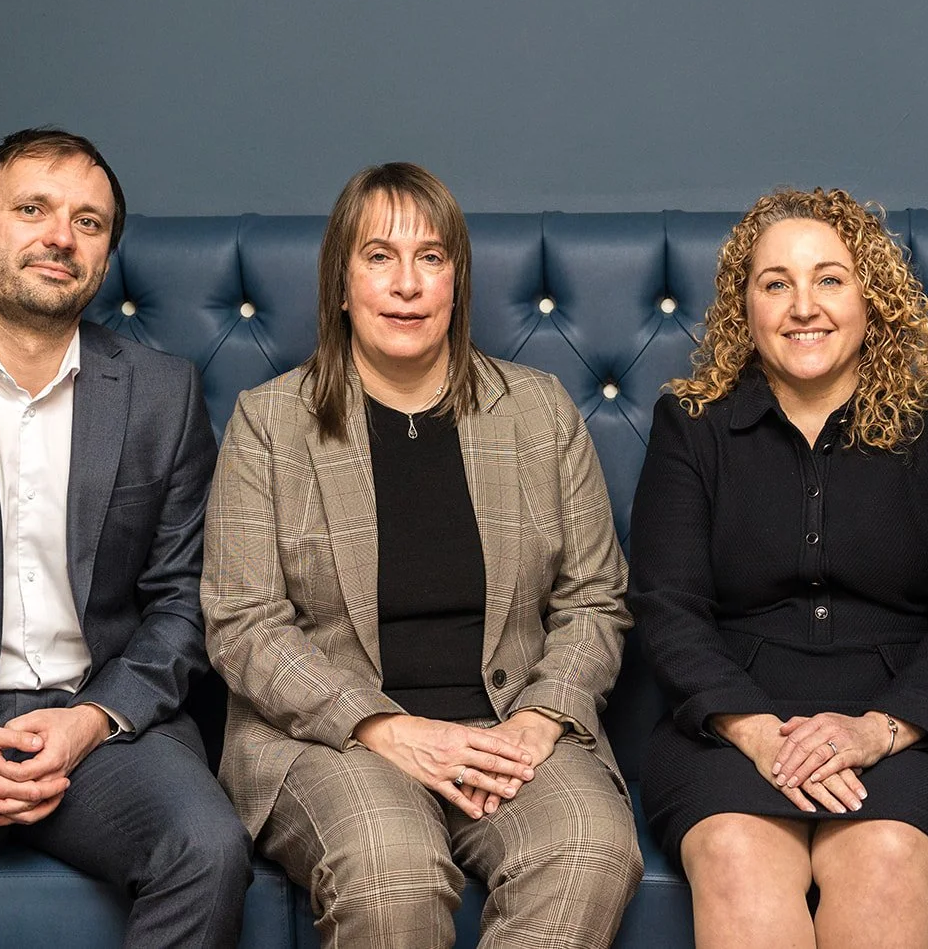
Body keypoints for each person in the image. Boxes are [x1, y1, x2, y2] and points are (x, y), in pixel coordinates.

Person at [202, 161, 642, 948]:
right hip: (335, 737)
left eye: (430, 257)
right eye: (379, 256)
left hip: (506, 724)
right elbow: (243, 622)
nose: (407, 283)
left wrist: (541, 716)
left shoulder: (539, 411)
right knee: (391, 871)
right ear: (341, 285)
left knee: (589, 847)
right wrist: (381, 725)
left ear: (456, 282)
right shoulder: (268, 423)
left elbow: (594, 599)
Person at [0, 127, 252, 946]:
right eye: (33, 209)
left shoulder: (163, 395)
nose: (62, 235)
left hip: (105, 732)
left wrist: (92, 718)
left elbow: (185, 602)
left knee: (208, 851)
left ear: (104, 255)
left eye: (88, 222)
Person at [630, 187, 928, 949]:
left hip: (912, 729)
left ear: (871, 299)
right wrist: (757, 732)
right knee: (737, 853)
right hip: (727, 727)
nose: (803, 306)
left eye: (830, 279)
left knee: (885, 858)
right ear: (745, 308)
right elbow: (667, 607)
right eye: (776, 283)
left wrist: (878, 730)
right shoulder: (691, 425)